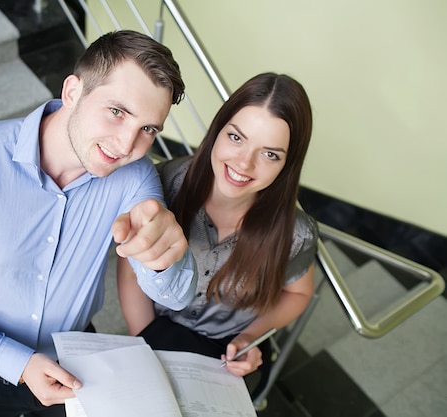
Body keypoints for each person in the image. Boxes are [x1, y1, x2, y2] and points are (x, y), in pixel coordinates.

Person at [0, 30, 197, 417]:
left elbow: (176, 295)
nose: (127, 144)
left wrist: (165, 258)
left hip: (77, 364)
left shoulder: (134, 177)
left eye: (149, 129)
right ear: (72, 92)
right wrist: (16, 362)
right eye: (117, 111)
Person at [118, 72, 318, 380]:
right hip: (154, 328)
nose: (244, 163)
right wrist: (145, 339)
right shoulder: (162, 185)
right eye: (236, 137)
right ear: (218, 130)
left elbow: (298, 294)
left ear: (287, 164)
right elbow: (132, 266)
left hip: (228, 351)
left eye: (269, 154)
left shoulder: (296, 234)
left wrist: (250, 339)